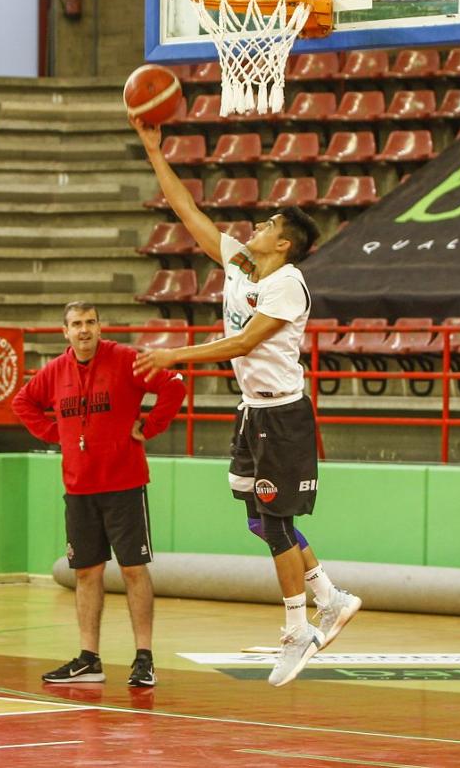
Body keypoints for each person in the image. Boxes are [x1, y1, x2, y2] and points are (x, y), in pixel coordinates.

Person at [130, 116, 360, 687]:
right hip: (253, 411)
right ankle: (329, 597)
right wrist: (154, 150)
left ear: (284, 244)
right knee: (259, 519)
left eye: (270, 224)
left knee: (276, 523)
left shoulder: (286, 282)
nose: (257, 225)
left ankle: (298, 627)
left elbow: (244, 341)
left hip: (282, 414)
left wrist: (171, 358)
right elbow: (189, 214)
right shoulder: (240, 265)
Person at [12, 302, 186, 688]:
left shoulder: (125, 359)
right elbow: (22, 402)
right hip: (78, 487)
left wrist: (152, 425)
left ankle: (144, 657)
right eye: (77, 324)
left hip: (124, 484)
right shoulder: (56, 371)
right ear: (65, 332)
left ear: (100, 327)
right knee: (86, 572)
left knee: (133, 570)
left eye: (91, 322)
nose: (84, 330)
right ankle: (89, 658)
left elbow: (174, 385)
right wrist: (55, 434)